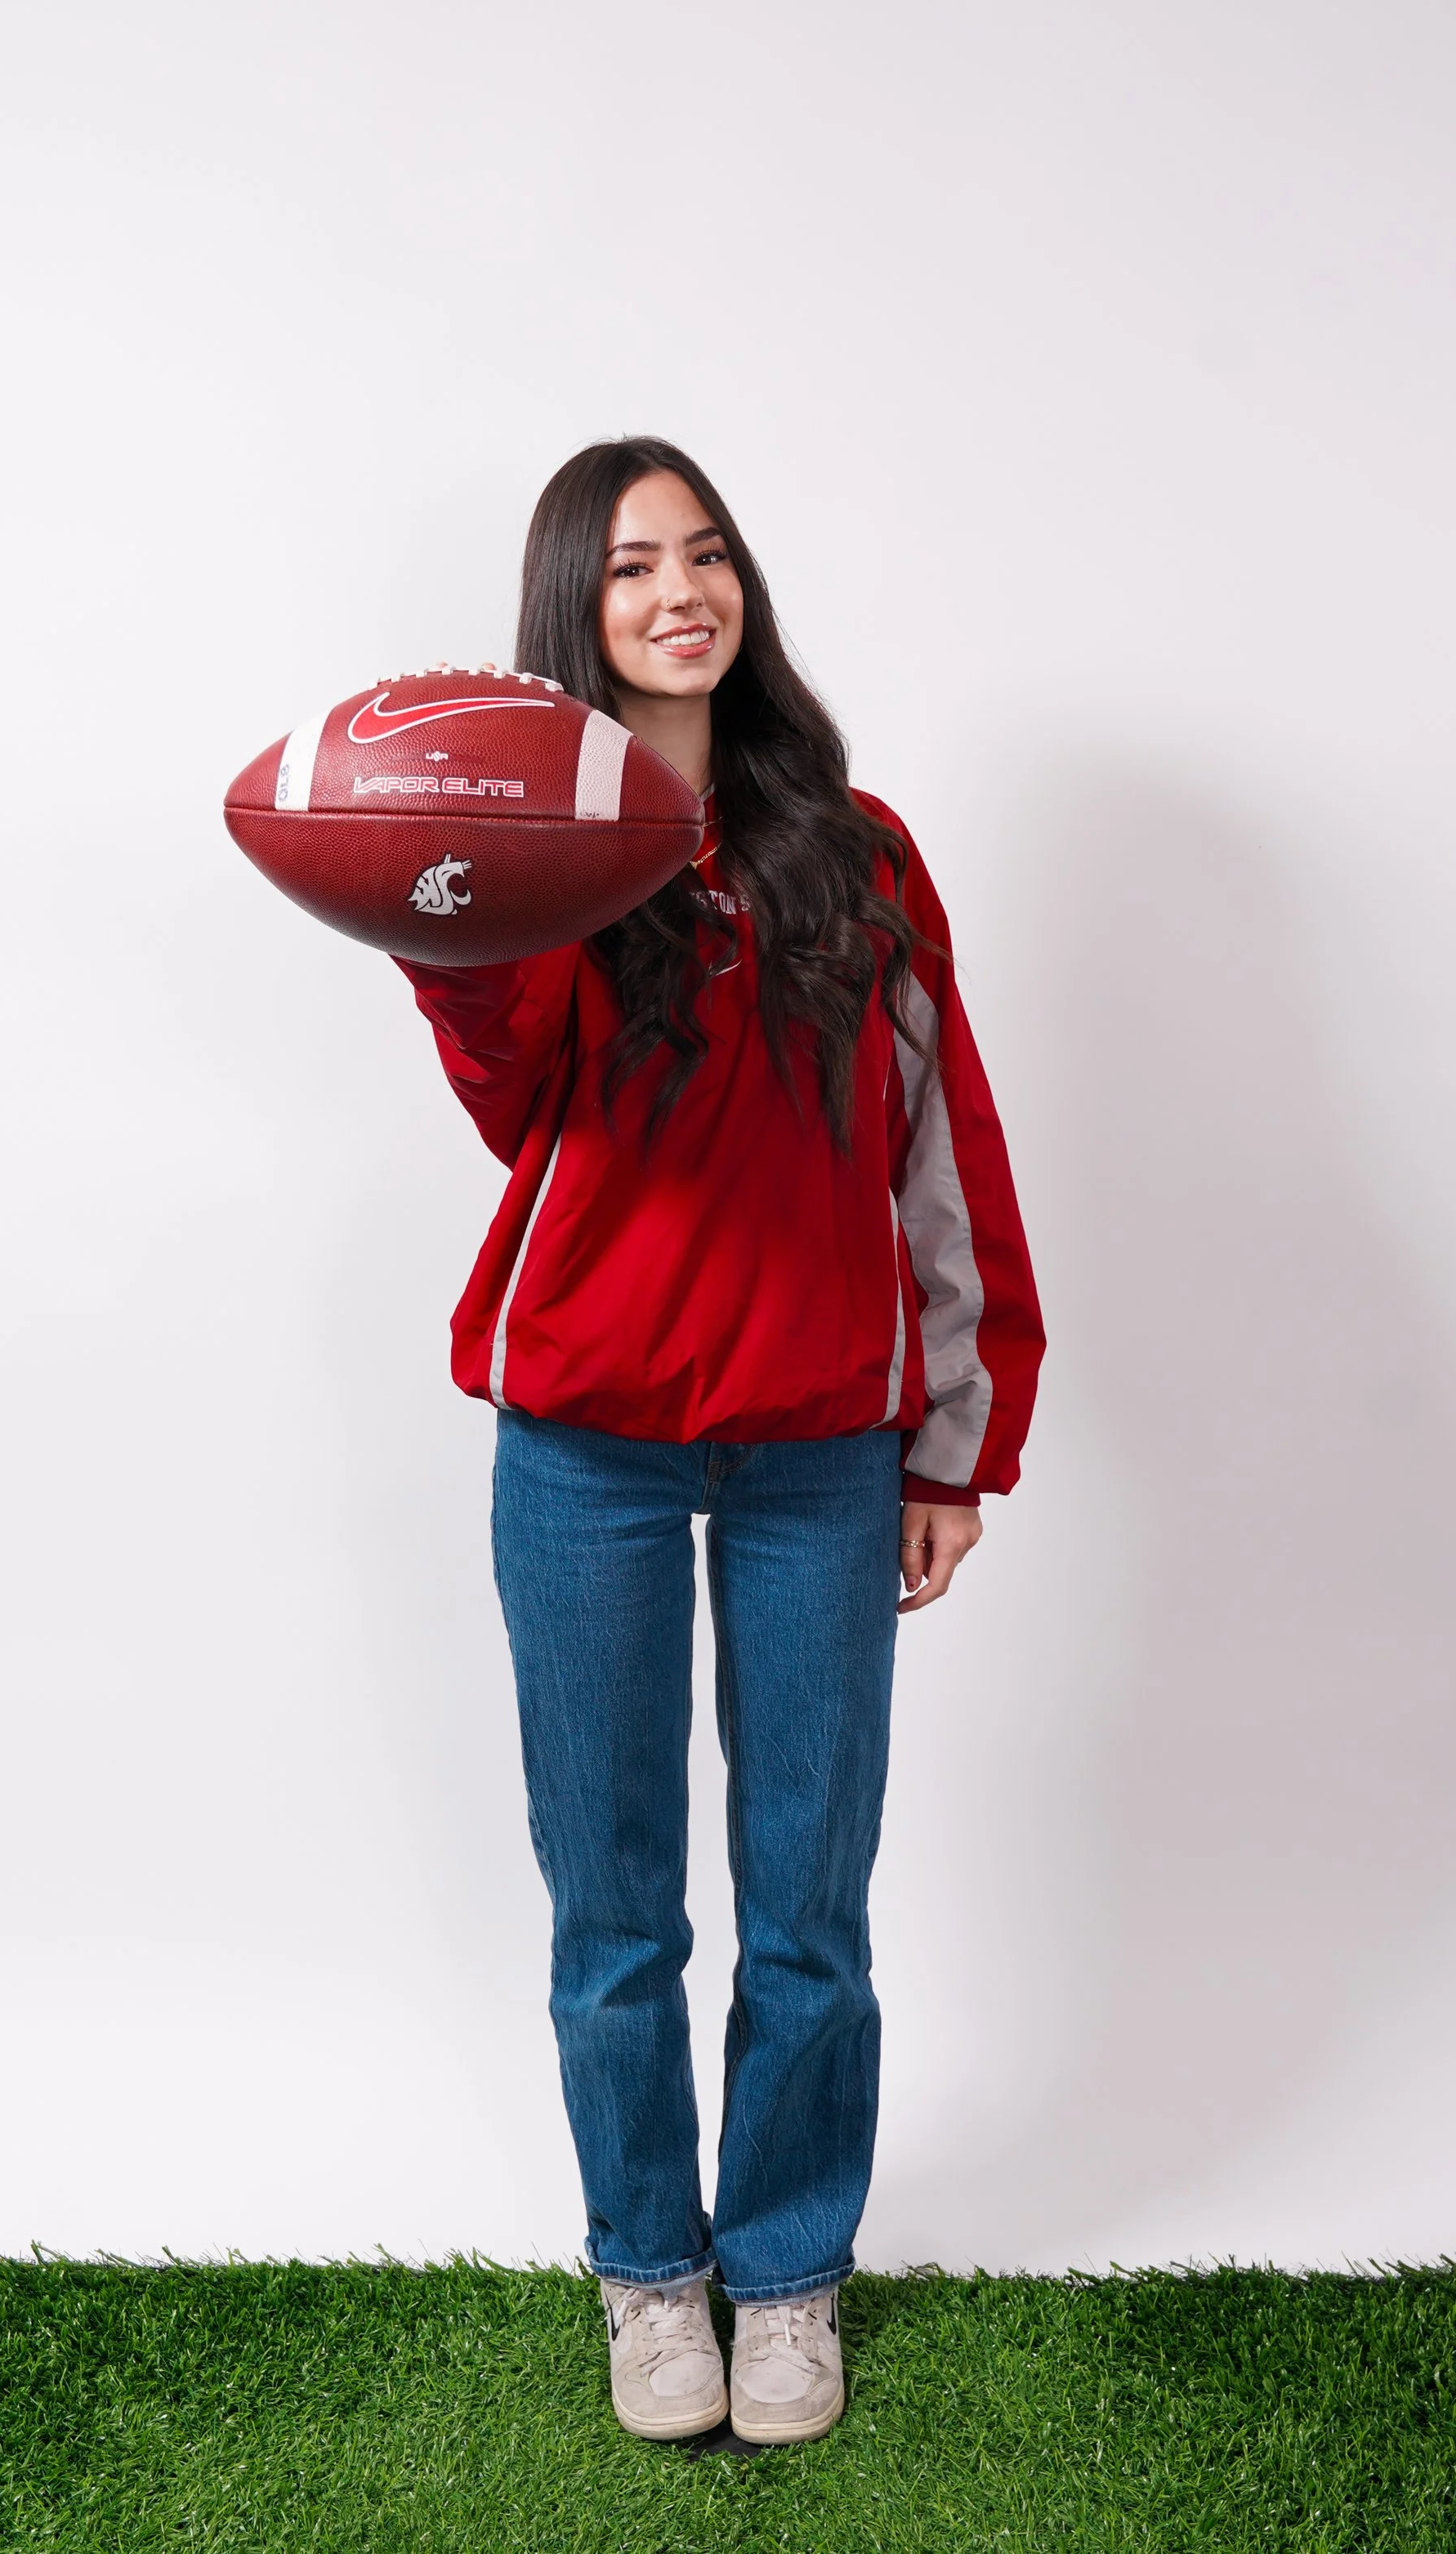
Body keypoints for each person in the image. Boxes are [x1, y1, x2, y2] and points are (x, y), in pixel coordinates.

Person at [395, 437, 1043, 2445]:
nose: (677, 591)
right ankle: (649, 2274)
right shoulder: (547, 847)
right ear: (571, 613)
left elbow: (944, 1149)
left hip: (816, 1449)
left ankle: (781, 2274)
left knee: (804, 1903)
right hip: (580, 1433)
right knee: (612, 1905)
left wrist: (954, 1436)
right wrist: (460, 928)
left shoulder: (854, 846)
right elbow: (514, 1106)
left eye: (703, 556)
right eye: (628, 569)